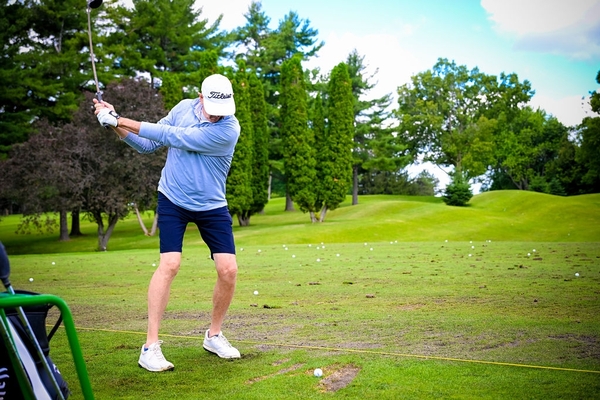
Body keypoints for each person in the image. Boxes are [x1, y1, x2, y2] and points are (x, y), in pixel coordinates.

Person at [94, 74, 241, 372]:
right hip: (173, 197)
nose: (216, 114)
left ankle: (213, 335)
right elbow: (148, 145)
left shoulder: (228, 129)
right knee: (170, 264)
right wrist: (113, 125)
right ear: (200, 96)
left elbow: (171, 136)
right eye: (211, 106)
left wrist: (119, 117)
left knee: (229, 270)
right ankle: (150, 347)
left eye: (221, 109)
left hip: (211, 204)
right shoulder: (184, 108)